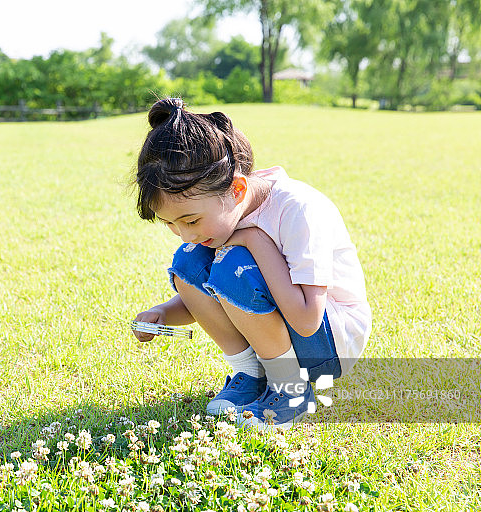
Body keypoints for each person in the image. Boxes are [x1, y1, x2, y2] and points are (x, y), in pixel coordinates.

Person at [131, 98, 371, 430]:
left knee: (234, 266)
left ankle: (290, 391)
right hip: (290, 330)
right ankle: (251, 373)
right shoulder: (219, 219)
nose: (184, 234)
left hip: (329, 342)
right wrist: (164, 313)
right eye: (170, 223)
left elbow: (306, 320)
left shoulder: (297, 209)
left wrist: (256, 241)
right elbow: (216, 296)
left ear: (237, 188)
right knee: (188, 261)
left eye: (191, 220)